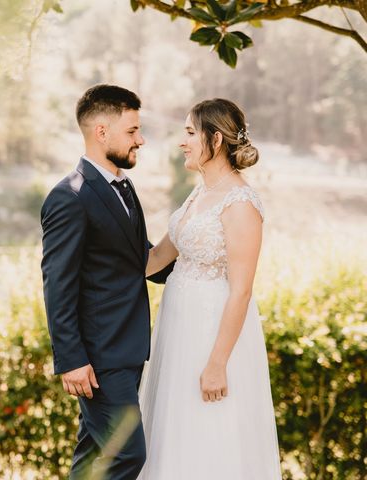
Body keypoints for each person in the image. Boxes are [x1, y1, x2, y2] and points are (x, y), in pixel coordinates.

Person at [138, 98, 282, 479]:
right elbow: (154, 260)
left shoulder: (241, 203)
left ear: (215, 139)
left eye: (189, 132)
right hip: (177, 331)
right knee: (173, 427)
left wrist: (217, 364)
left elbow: (241, 291)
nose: (182, 142)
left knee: (209, 429)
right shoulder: (198, 195)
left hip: (212, 335)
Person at [40, 84, 174, 479]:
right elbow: (57, 284)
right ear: (102, 132)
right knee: (126, 455)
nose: (141, 140)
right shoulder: (69, 197)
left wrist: (199, 258)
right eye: (132, 131)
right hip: (97, 359)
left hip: (128, 350)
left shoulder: (123, 188)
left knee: (92, 455)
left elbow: (138, 259)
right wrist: (72, 359)